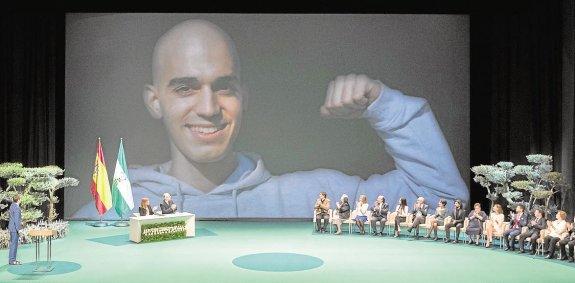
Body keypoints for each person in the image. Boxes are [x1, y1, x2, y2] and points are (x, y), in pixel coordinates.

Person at [71, 19, 468, 219]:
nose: (209, 107)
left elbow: (445, 201)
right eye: (185, 88)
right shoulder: (114, 210)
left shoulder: (313, 199)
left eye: (224, 86)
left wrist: (383, 103)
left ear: (243, 96)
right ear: (154, 101)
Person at [8, 195, 22, 265]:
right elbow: (16, 219)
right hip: (14, 228)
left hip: (11, 228)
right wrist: (18, 229)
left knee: (12, 244)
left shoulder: (12, 206)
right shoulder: (17, 207)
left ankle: (12, 259)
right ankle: (12, 260)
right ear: (19, 199)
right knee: (14, 244)